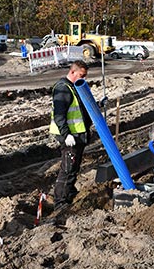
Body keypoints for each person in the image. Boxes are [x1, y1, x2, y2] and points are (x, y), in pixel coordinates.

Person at [50, 60, 92, 210]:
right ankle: (60, 202)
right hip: (70, 137)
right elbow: (59, 115)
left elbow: (80, 109)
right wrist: (66, 134)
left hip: (78, 136)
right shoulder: (63, 88)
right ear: (72, 72)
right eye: (81, 75)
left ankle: (69, 192)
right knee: (68, 169)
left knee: (73, 167)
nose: (83, 79)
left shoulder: (74, 87)